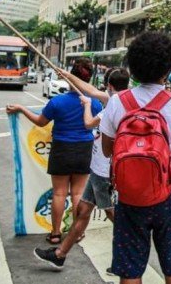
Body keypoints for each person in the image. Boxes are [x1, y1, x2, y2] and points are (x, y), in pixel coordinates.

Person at [99, 32, 171, 284]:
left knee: (130, 271)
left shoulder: (118, 102)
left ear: (133, 67)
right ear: (167, 68)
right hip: (170, 193)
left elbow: (107, 150)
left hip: (129, 196)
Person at [33, 67, 130, 270]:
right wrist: (67, 75)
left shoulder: (113, 106)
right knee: (84, 210)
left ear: (110, 86)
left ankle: (127, 253)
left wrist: (86, 105)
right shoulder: (121, 99)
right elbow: (92, 90)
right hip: (96, 166)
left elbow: (88, 123)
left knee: (114, 216)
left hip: (104, 170)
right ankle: (60, 254)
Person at [6, 58, 102, 245]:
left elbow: (41, 122)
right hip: (84, 150)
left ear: (69, 77)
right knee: (78, 194)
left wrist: (21, 108)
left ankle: (56, 233)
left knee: (59, 193)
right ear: (89, 79)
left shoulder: (57, 102)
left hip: (62, 149)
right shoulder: (95, 104)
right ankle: (77, 233)